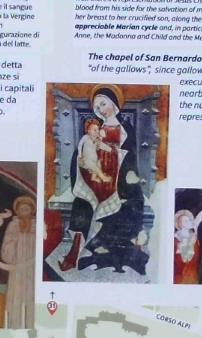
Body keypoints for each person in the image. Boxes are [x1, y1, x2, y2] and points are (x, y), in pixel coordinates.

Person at [59, 87, 145, 274]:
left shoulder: (126, 128)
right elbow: (82, 152)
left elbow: (131, 156)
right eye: (97, 107)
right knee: (82, 204)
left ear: (113, 103)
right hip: (96, 176)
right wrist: (80, 161)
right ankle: (76, 254)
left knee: (128, 204)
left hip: (119, 177)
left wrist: (125, 170)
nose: (101, 110)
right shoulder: (95, 128)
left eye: (104, 104)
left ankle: (113, 252)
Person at [0, 194, 36, 328]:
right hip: (17, 268)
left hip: (32, 268)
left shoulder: (37, 225)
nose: (25, 211)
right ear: (18, 211)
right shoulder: (13, 225)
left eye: (27, 208)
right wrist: (15, 240)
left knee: (31, 293)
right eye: (22, 208)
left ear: (32, 210)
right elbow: (6, 248)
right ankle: (14, 324)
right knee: (16, 294)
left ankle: (31, 324)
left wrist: (27, 237)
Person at [174, 209, 201, 284]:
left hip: (193, 276)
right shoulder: (175, 239)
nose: (190, 222)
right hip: (179, 277)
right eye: (186, 221)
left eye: (190, 220)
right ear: (180, 224)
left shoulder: (194, 237)